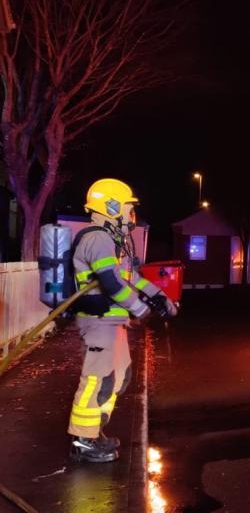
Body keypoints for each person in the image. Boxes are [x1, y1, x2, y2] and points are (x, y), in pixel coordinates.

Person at [68, 178, 177, 463]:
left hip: (112, 323)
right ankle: (83, 440)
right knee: (97, 379)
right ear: (112, 206)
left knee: (119, 377)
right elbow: (111, 283)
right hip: (97, 322)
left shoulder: (112, 241)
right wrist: (142, 309)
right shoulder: (97, 238)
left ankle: (95, 432)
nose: (132, 216)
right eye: (129, 208)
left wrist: (160, 298)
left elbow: (130, 277)